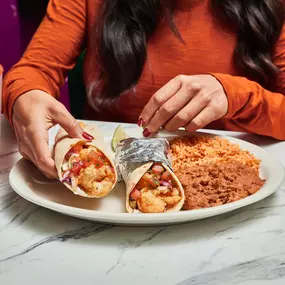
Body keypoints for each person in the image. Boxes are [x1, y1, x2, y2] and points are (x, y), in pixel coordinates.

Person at [2, 0, 285, 178]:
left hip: (229, 180)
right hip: (105, 189)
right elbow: (34, 70)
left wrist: (236, 95)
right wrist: (23, 96)